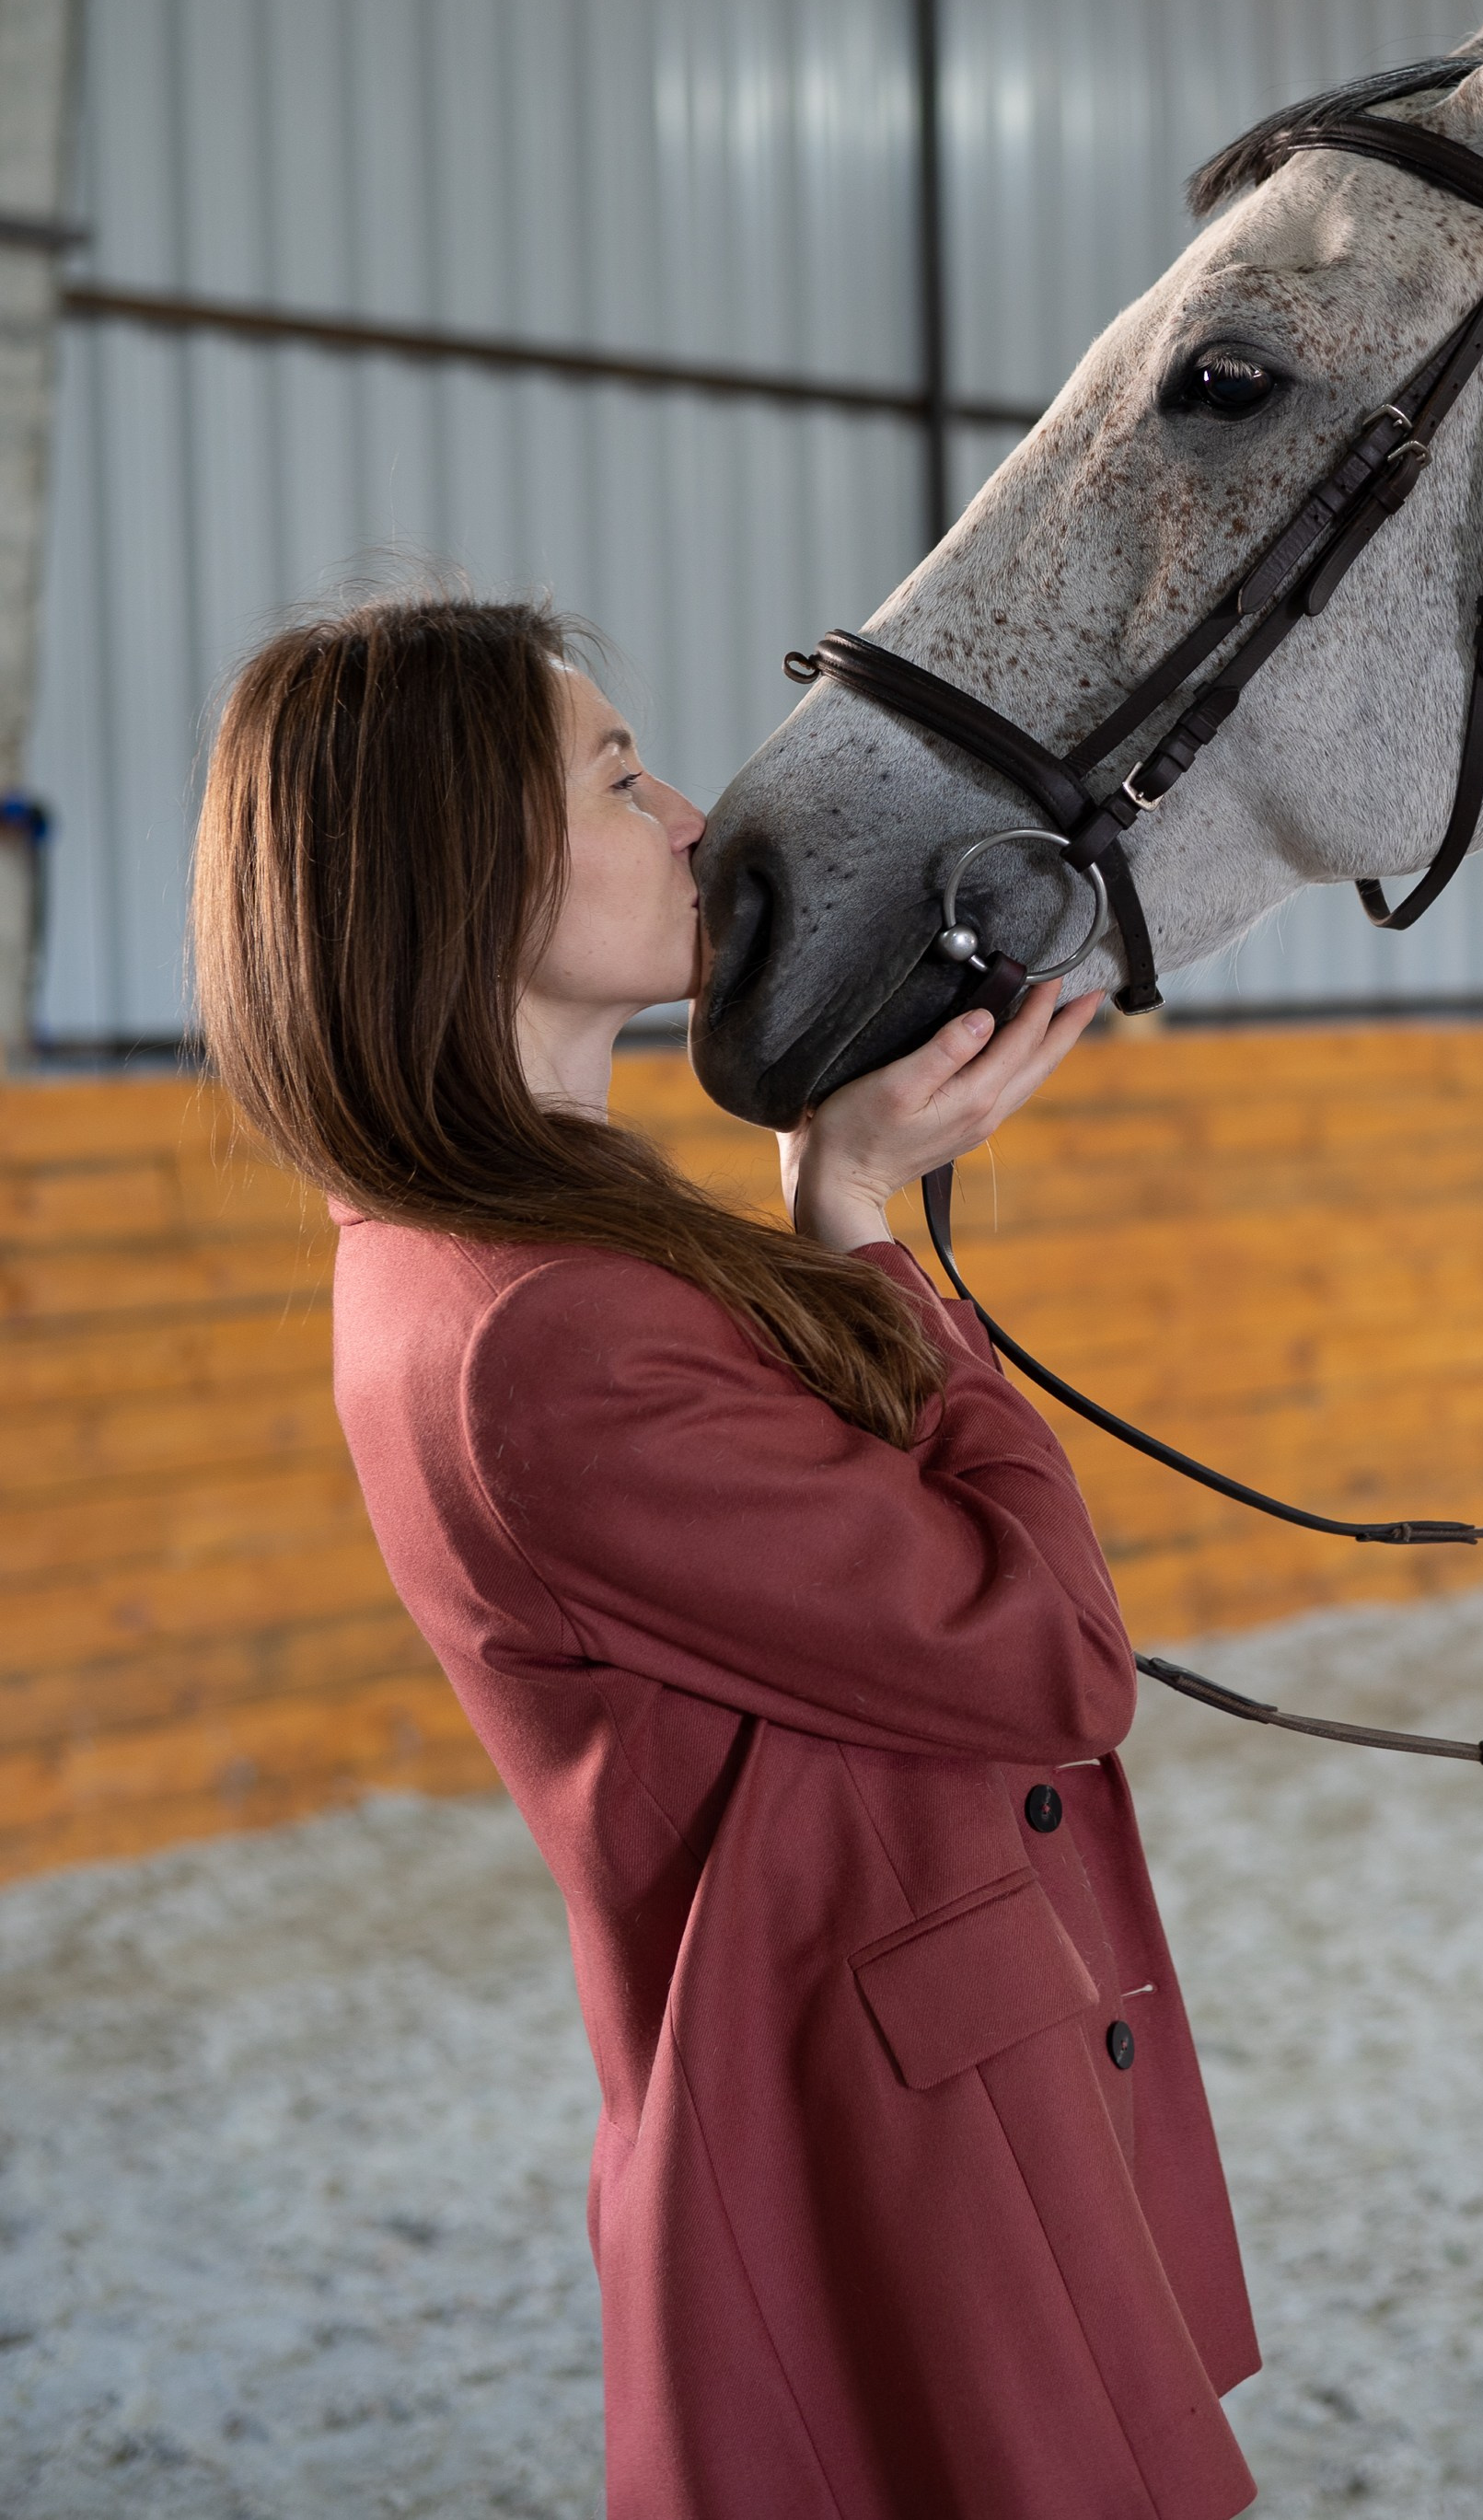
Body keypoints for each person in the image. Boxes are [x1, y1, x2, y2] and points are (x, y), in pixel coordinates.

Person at [191, 594, 1258, 2520]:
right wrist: (865, 1228)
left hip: (897, 2080)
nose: (689, 814)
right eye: (616, 774)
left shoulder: (517, 1251)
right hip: (886, 2151)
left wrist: (838, 1210)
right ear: (457, 857)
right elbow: (1045, 1654)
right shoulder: (541, 1333)